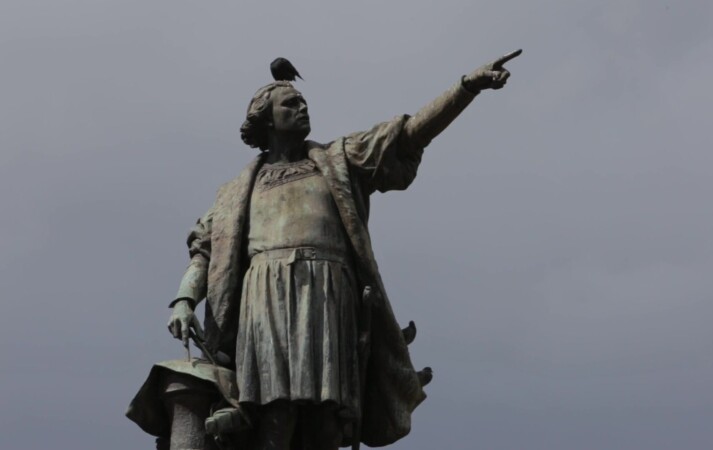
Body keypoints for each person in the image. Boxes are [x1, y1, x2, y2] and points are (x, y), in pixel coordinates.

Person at [166, 50, 521, 450]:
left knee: (327, 417)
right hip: (264, 297)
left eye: (304, 102)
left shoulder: (340, 160)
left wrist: (466, 87)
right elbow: (206, 250)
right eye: (291, 104)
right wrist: (184, 300)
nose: (302, 107)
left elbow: (407, 134)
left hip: (328, 293)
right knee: (274, 414)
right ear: (266, 119)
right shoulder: (236, 192)